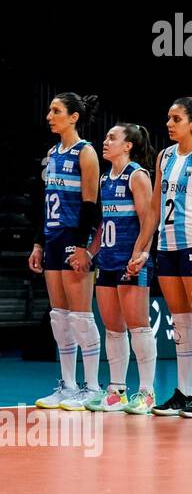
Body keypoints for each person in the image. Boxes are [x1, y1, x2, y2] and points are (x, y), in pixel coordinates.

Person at [126, 97, 192, 417]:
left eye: (176, 119)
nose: (169, 124)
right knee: (182, 323)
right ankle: (184, 393)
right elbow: (155, 209)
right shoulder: (165, 156)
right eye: (168, 119)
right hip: (168, 248)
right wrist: (141, 248)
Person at [32, 92, 103, 411]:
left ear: (73, 117)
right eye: (49, 110)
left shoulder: (85, 152)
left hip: (74, 240)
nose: (49, 115)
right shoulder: (51, 153)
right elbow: (43, 201)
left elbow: (91, 205)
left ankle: (92, 387)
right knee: (59, 317)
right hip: (52, 238)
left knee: (81, 316)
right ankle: (67, 385)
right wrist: (38, 243)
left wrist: (83, 248)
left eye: (56, 110)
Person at [86, 124, 158, 414]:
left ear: (128, 145)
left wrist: (140, 254)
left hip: (132, 262)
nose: (105, 142)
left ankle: (147, 392)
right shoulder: (105, 179)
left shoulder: (137, 175)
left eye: (112, 138)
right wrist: (91, 253)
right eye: (106, 138)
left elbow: (148, 221)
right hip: (108, 261)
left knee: (138, 325)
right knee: (113, 329)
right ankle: (117, 391)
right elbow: (104, 224)